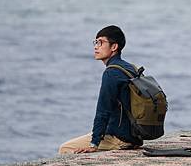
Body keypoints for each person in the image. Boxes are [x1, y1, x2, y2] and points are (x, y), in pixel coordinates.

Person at [58, 25, 143, 154]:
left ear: (114, 47)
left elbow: (103, 111)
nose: (96, 46)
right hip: (134, 136)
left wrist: (94, 144)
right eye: (96, 42)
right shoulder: (130, 67)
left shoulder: (112, 72)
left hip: (119, 138)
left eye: (101, 42)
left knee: (65, 149)